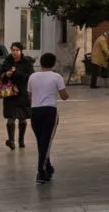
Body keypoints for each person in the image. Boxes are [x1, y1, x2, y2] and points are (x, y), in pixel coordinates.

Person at [26, 51, 68, 183]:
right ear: (53, 63)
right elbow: (64, 96)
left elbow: (29, 95)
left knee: (41, 140)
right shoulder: (56, 77)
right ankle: (41, 171)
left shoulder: (32, 77)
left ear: (41, 63)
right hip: (49, 111)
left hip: (35, 111)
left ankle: (48, 166)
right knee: (46, 141)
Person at [1, 42, 35, 149]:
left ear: (21, 51)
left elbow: (31, 76)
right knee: (10, 120)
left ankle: (21, 141)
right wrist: (7, 74)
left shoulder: (26, 63)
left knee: (22, 119)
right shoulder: (7, 62)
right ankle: (11, 141)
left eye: (17, 50)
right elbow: (0, 76)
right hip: (9, 93)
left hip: (22, 93)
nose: (14, 52)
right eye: (13, 50)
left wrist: (16, 73)